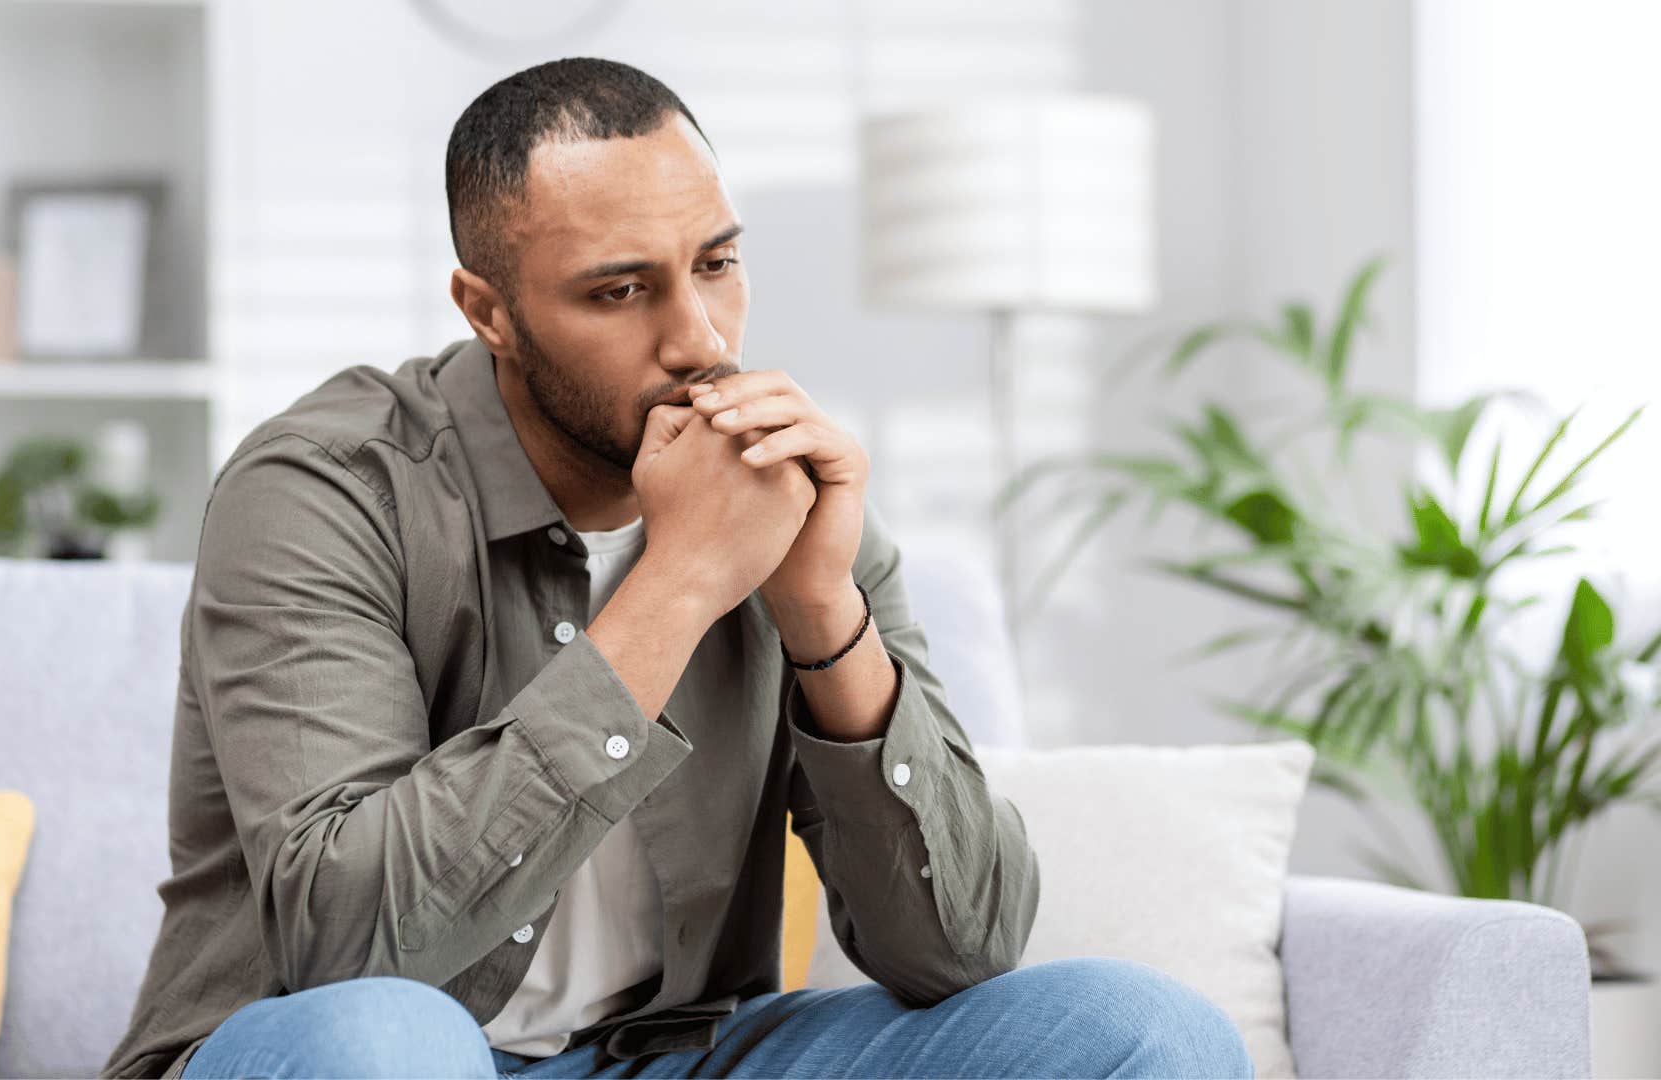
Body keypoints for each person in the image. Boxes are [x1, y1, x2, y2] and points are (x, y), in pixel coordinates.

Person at [99, 56, 1255, 1080]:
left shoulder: (788, 493)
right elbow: (351, 946)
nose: (700, 336)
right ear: (488, 311)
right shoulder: (326, 486)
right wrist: (682, 583)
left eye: (716, 263)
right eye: (620, 289)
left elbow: (961, 950)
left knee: (1150, 1036)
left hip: (674, 1053)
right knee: (389, 1046)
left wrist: (820, 613)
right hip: (330, 1049)